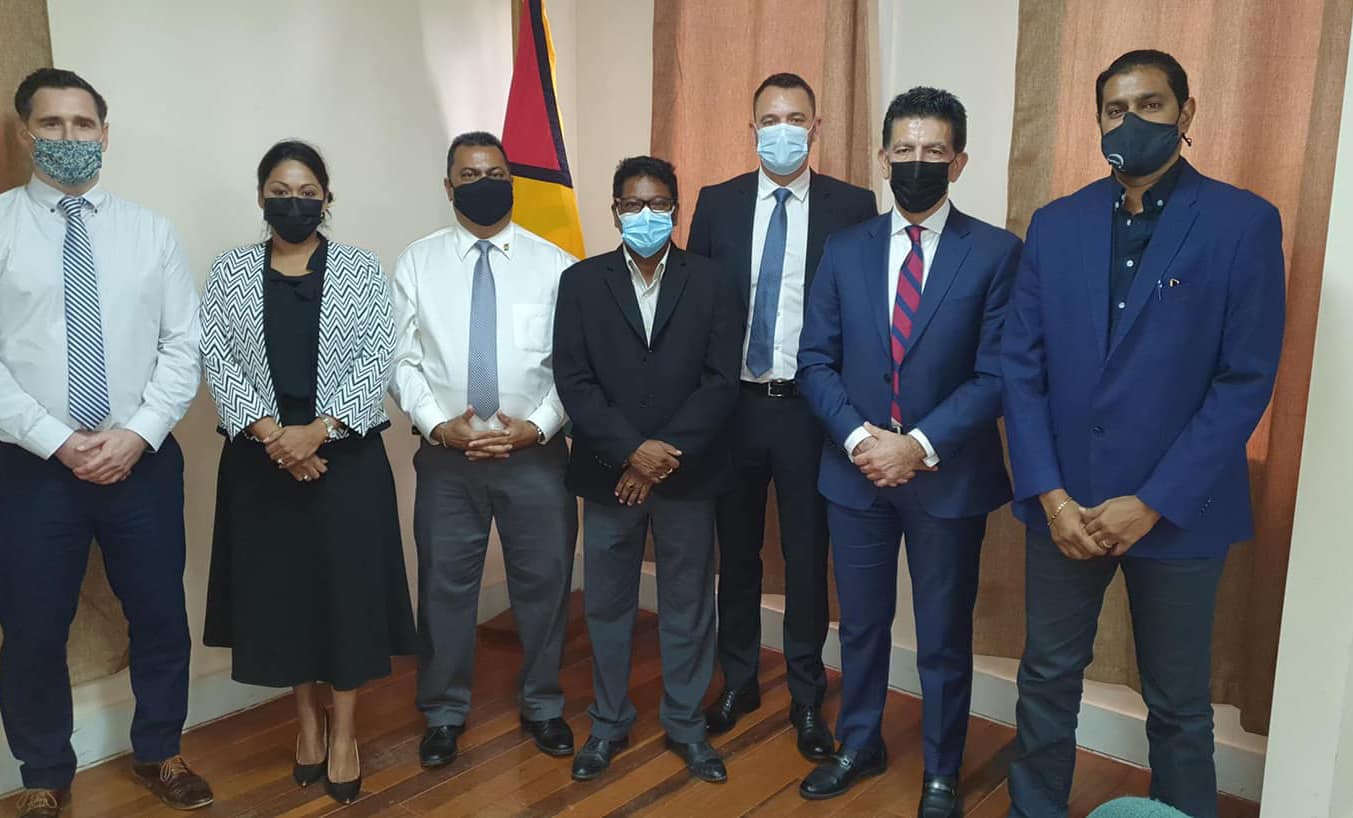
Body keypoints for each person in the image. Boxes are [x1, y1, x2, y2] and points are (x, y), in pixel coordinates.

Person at [1001, 51, 1285, 818]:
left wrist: (1152, 501)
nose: (1131, 123)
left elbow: (1243, 382)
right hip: (1063, 507)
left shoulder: (1241, 223)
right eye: (1114, 110)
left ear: (1185, 114)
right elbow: (1018, 371)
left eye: (1150, 105)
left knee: (1178, 705)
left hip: (1176, 507)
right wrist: (1053, 498)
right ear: (1097, 122)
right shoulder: (1055, 225)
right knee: (1045, 684)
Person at [797, 87, 1021, 816]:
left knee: (941, 636)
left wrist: (916, 446)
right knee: (859, 625)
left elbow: (996, 374)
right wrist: (864, 441)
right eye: (904, 151)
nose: (916, 164)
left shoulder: (994, 253)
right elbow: (814, 361)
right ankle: (859, 743)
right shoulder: (844, 249)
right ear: (882, 156)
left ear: (958, 162)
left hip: (945, 478)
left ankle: (940, 770)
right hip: (855, 474)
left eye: (933, 152)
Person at [0, 69, 212, 817]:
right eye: (51, 125)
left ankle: (161, 750)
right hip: (30, 469)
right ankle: (43, 775)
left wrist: (137, 434)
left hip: (141, 463)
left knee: (159, 614)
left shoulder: (149, 231)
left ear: (105, 133)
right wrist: (59, 441)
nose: (68, 139)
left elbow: (183, 347)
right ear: (25, 133)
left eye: (83, 124)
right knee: (31, 627)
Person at [200, 140, 418, 805]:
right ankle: (307, 727)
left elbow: (377, 356)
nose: (292, 202)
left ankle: (346, 732)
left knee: (344, 600)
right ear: (260, 195)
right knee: (285, 600)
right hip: (261, 460)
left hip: (343, 456)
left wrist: (315, 433)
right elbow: (214, 354)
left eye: (306, 191)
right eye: (279, 190)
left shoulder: (359, 267)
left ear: (327, 197)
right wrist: (275, 437)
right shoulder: (229, 270)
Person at [686, 72, 877, 760]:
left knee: (805, 558)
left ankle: (805, 697)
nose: (783, 128)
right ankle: (737, 679)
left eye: (796, 117)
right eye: (770, 117)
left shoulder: (853, 206)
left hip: (809, 411)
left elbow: (865, 316)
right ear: (751, 127)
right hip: (732, 409)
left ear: (817, 128)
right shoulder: (716, 203)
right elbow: (695, 310)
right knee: (735, 555)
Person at [391, 131, 579, 769]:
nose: (483, 182)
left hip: (535, 457)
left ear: (513, 180)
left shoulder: (554, 264)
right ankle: (443, 711)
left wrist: (539, 427)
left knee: (545, 584)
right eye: (468, 175)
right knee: (445, 587)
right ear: (448, 187)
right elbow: (402, 359)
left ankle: (544, 705)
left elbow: (571, 367)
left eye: (494, 171)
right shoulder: (417, 262)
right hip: (448, 459)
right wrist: (441, 425)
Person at [554, 156, 742, 784]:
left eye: (657, 204)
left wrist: (660, 454)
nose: (645, 215)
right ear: (614, 212)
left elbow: (720, 382)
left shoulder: (712, 281)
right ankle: (608, 722)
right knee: (608, 604)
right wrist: (631, 451)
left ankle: (686, 726)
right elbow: (574, 382)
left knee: (688, 603)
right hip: (611, 474)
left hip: (687, 474)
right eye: (632, 205)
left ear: (677, 210)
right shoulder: (580, 283)